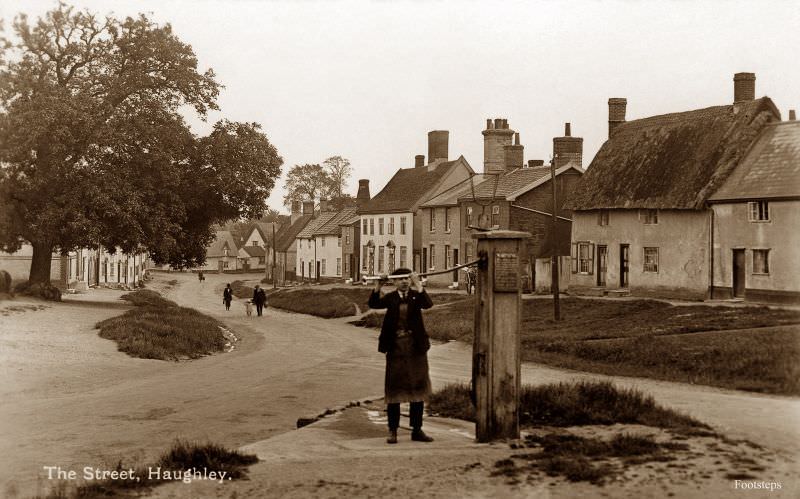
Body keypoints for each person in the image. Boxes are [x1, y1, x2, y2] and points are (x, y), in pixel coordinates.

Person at [368, 267, 434, 444]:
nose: (404, 282)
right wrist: (378, 286)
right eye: (400, 279)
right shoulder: (391, 298)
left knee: (418, 388)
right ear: (394, 282)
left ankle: (417, 430)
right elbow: (374, 304)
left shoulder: (416, 296)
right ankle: (393, 430)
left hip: (416, 348)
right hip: (395, 348)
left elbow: (428, 304)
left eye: (407, 278)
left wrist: (419, 284)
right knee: (394, 390)